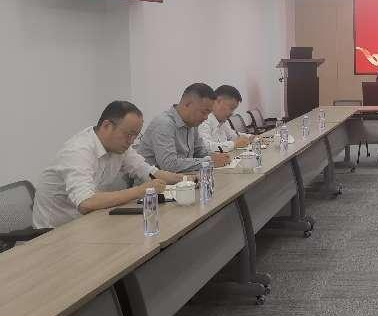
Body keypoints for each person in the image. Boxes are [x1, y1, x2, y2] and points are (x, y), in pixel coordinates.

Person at [32, 101, 183, 228]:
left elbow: (149, 172)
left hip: (90, 222)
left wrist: (186, 180)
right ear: (106, 126)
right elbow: (86, 202)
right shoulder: (78, 151)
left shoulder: (120, 147)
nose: (131, 141)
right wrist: (140, 191)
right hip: (55, 233)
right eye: (128, 134)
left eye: (135, 136)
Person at [136, 83, 231, 173]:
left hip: (181, 178)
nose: (206, 118)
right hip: (154, 183)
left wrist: (217, 157)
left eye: (208, 113)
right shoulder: (164, 124)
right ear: (187, 104)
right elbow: (169, 165)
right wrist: (209, 162)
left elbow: (200, 152)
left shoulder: (192, 124)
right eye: (203, 112)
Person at [199, 84, 253, 153]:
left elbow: (233, 135)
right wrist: (234, 144)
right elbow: (205, 147)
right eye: (231, 108)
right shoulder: (203, 120)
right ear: (217, 101)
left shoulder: (222, 120)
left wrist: (251, 137)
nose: (232, 113)